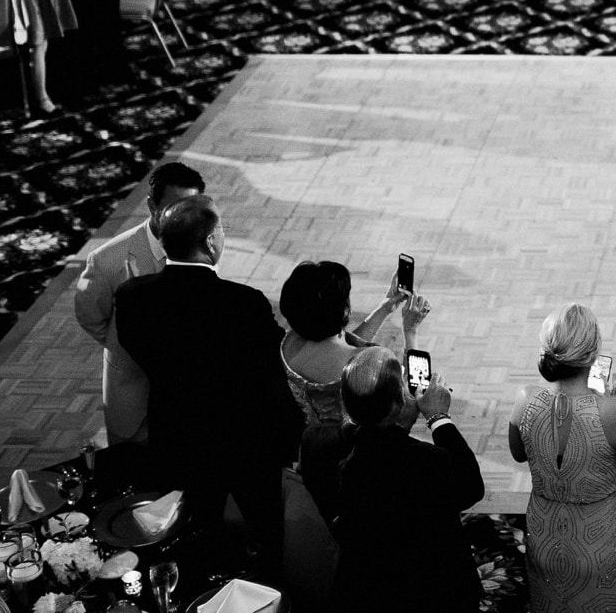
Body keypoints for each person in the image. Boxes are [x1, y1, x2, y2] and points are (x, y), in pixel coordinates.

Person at [115, 197, 302, 571]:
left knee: (191, 535)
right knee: (267, 529)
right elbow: (274, 369)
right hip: (243, 442)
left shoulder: (132, 297)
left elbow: (140, 351)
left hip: (177, 435)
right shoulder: (244, 303)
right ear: (212, 242)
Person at [508, 303, 616, 613]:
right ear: (592, 355)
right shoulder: (614, 412)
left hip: (544, 538)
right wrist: (609, 407)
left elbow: (518, 454)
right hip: (601, 546)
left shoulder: (525, 398)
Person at [331, 347, 485, 613]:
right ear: (396, 404)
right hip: (434, 587)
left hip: (370, 588)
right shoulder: (429, 461)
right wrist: (438, 418)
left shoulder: (328, 450)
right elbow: (471, 488)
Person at [71, 161, 206, 445]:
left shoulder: (203, 246)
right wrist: (128, 343)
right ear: (151, 205)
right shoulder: (107, 260)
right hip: (133, 399)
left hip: (189, 395)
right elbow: (90, 315)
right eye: (174, 209)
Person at [278, 260, 428, 430]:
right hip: (362, 447)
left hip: (317, 445)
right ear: (344, 310)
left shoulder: (289, 343)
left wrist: (385, 307)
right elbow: (410, 403)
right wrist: (411, 331)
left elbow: (338, 348)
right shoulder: (372, 364)